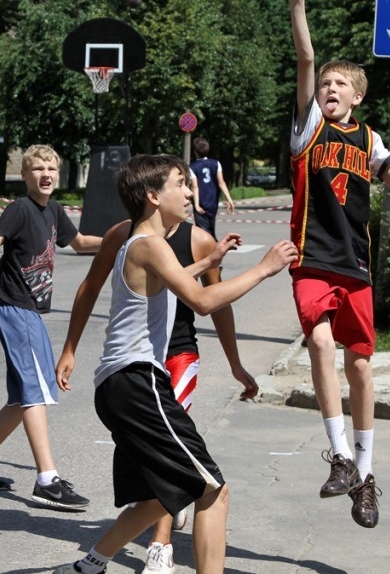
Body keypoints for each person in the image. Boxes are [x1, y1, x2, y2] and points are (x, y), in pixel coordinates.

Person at [53, 154, 297, 574]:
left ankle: (89, 565)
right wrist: (263, 269)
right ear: (153, 196)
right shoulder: (150, 246)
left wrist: (209, 259)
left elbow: (174, 279)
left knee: (155, 497)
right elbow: (202, 302)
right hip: (138, 382)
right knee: (213, 491)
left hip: (118, 386)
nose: (189, 192)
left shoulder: (142, 244)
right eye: (180, 184)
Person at [269, 0, 390, 529]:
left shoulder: (368, 140)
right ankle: (339, 455)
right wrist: (298, 1)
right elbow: (307, 59)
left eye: (341, 85)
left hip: (354, 264)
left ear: (357, 98)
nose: (330, 89)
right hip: (313, 258)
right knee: (318, 343)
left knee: (361, 368)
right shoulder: (308, 130)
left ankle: (365, 478)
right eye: (326, 86)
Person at [0, 144, 102, 509]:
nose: (46, 174)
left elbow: (80, 243)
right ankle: (47, 480)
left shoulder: (54, 210)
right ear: (25, 175)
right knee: (36, 391)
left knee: (23, 397)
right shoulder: (19, 209)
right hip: (14, 308)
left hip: (29, 312)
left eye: (52, 167)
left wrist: (123, 239)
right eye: (38, 168)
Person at [189, 138, 235, 240]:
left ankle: (210, 248)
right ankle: (213, 245)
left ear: (195, 152)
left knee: (203, 231)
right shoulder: (216, 163)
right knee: (211, 226)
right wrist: (229, 199)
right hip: (213, 202)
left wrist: (196, 205)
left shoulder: (192, 167)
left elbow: (195, 187)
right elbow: (221, 182)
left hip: (201, 202)